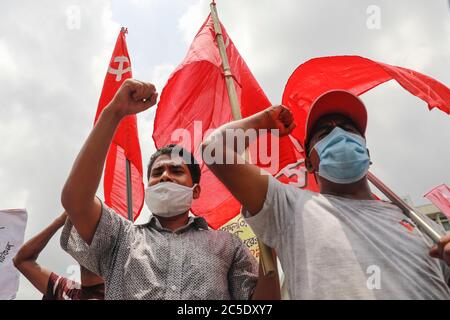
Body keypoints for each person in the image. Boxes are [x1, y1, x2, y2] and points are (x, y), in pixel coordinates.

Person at [202, 89, 450, 299]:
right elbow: (214, 150)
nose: (339, 136)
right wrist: (261, 122)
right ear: (308, 163)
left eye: (348, 129)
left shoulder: (419, 223)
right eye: (324, 133)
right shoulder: (289, 206)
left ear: (367, 153)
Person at [60, 79, 280, 300]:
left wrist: (268, 236)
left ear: (195, 191)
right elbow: (75, 201)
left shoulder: (228, 245)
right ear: (148, 187)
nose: (165, 175)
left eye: (176, 171)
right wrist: (114, 112)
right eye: (157, 173)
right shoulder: (120, 235)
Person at [13, 212, 104, 300]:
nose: (84, 239)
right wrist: (60, 221)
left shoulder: (116, 290)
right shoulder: (66, 292)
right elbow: (21, 261)